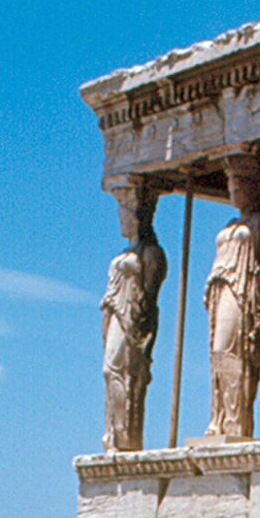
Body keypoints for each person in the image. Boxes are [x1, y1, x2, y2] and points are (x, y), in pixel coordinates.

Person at [205, 157, 260, 438]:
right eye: (230, 185)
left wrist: (250, 287)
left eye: (239, 184)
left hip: (242, 291)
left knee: (229, 350)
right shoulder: (230, 223)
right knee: (216, 354)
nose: (233, 190)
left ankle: (237, 420)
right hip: (220, 290)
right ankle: (219, 418)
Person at [100, 179, 166, 451]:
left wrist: (140, 324)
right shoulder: (125, 252)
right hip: (113, 312)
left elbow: (150, 293)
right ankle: (114, 434)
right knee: (109, 371)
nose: (122, 222)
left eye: (126, 216)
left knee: (118, 370)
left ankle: (128, 436)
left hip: (132, 318)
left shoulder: (151, 252)